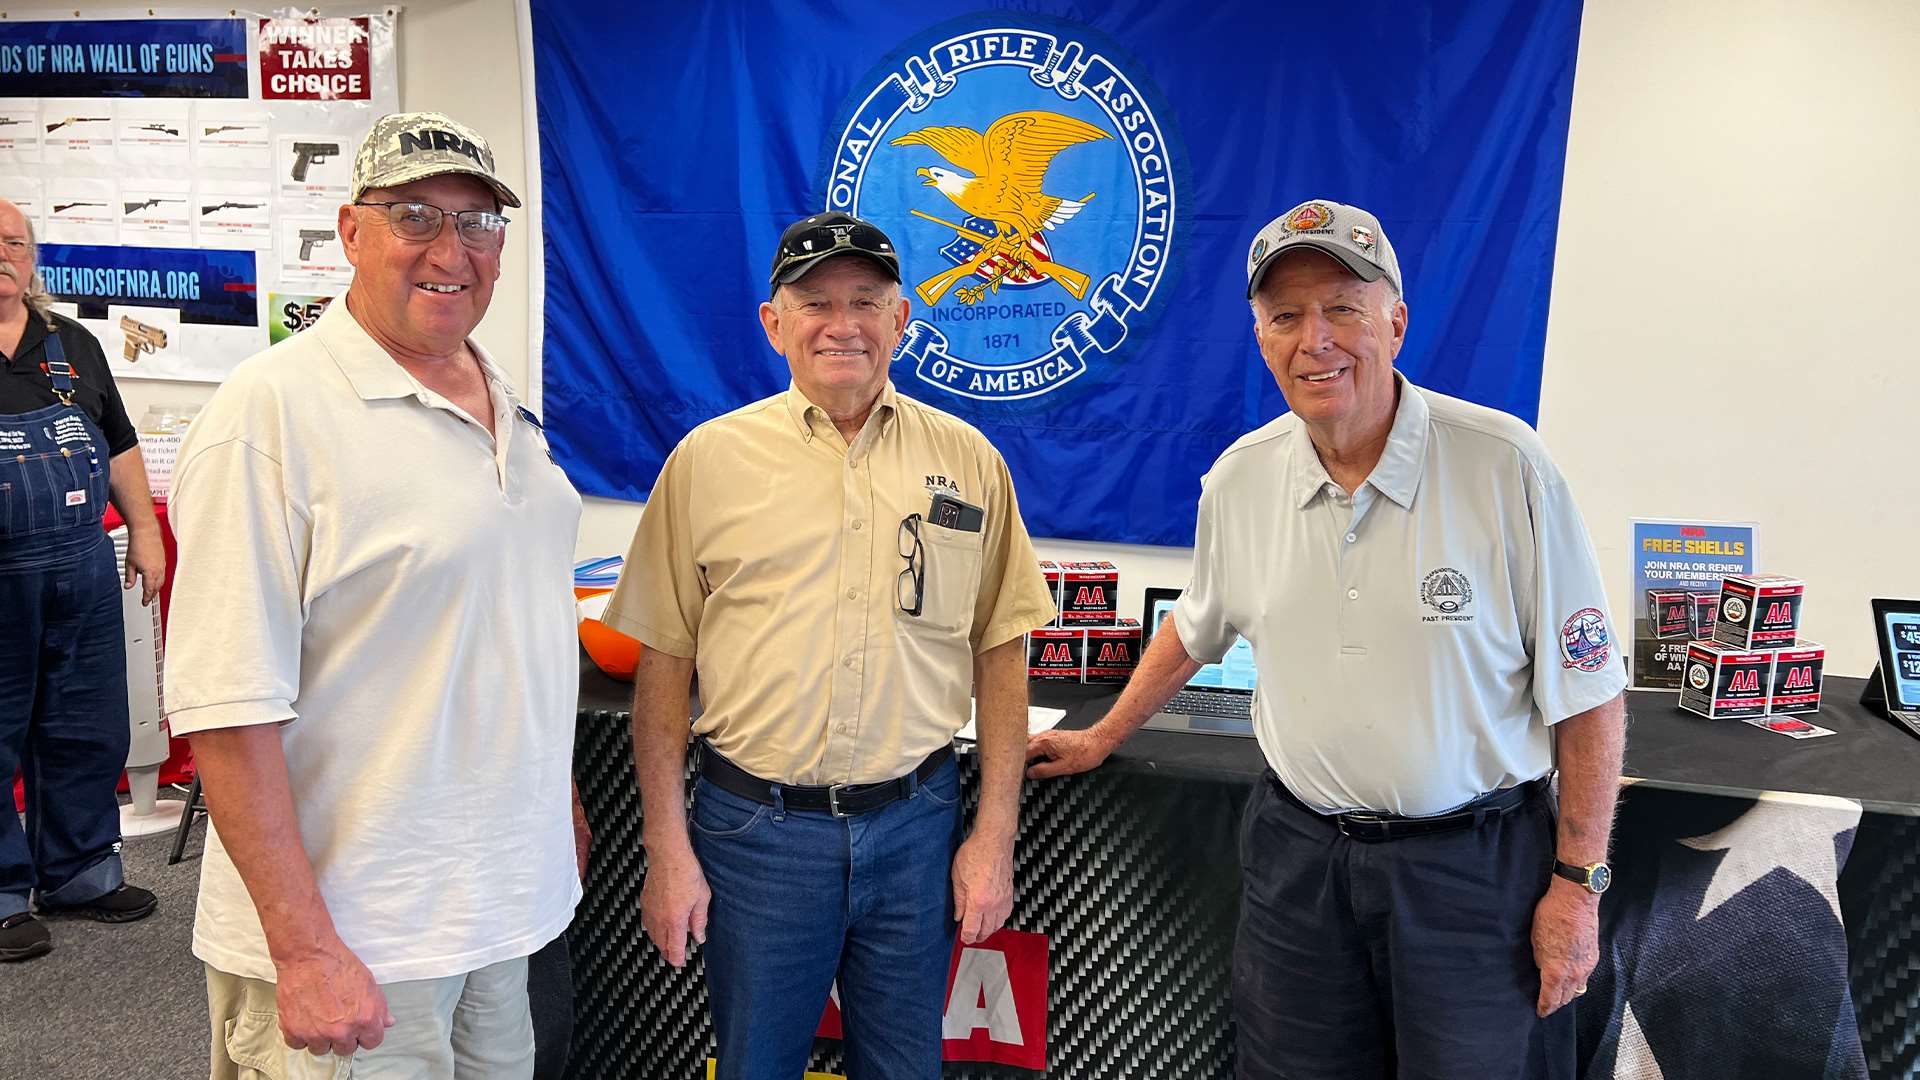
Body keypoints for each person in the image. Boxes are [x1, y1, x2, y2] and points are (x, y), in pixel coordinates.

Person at [1027, 199, 1628, 1079]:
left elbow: (1590, 692)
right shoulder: (1241, 478)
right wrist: (1102, 735)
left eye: (1343, 307)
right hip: (1298, 864)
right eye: (1286, 316)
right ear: (1261, 337)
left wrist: (1579, 885)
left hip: (1472, 874)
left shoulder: (1507, 467)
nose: (1316, 339)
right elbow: (1197, 627)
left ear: (1396, 319)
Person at [165, 112, 587, 1079]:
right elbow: (225, 706)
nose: (452, 250)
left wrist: (550, 794)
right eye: (416, 217)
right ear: (352, 233)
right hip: (357, 938)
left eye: (477, 224)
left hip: (490, 913)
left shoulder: (503, 401)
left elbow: (500, 624)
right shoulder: (270, 414)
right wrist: (304, 948)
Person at [602, 210, 1057, 1080]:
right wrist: (666, 848)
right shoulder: (707, 461)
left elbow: (1002, 651)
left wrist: (992, 838)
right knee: (754, 1066)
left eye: (865, 301)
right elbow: (663, 666)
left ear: (902, 319)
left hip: (916, 829)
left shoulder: (969, 461)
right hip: (755, 838)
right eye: (814, 303)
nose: (841, 324)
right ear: (774, 324)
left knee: (904, 1070)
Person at [0, 198, 164, 963]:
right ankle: (3, 896)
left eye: (14, 241)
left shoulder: (72, 344)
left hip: (81, 566)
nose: (3, 252)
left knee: (86, 726)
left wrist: (147, 530)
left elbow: (120, 440)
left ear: (32, 258)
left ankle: (81, 874)